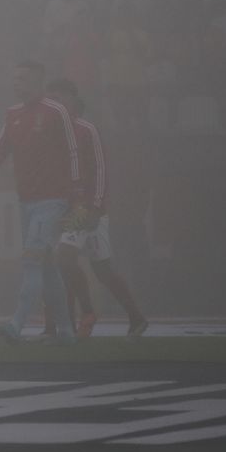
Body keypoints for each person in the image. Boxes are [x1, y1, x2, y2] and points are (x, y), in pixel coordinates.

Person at [0, 60, 78, 345]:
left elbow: (73, 153)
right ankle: (66, 330)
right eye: (15, 79)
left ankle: (16, 324)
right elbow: (0, 147)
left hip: (52, 200)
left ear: (39, 82)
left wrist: (76, 198)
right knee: (46, 267)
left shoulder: (57, 112)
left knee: (31, 261)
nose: (17, 84)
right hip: (26, 199)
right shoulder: (13, 114)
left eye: (23, 79)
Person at [46, 78, 149, 340]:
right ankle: (135, 318)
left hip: (86, 209)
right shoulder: (54, 133)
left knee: (63, 258)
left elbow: (101, 169)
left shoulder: (85, 129)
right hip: (70, 209)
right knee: (101, 269)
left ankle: (85, 314)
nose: (55, 104)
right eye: (52, 100)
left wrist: (95, 206)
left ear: (71, 98)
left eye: (59, 98)